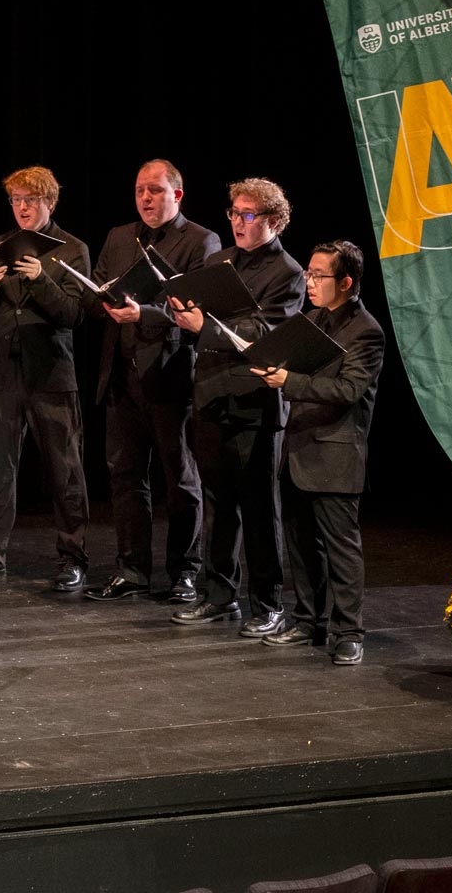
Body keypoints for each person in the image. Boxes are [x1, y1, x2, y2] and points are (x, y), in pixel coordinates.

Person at [169, 178, 306, 636]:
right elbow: (210, 315)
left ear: (272, 219)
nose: (238, 222)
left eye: (247, 215)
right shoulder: (219, 261)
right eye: (233, 213)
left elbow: (267, 334)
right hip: (210, 393)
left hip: (253, 403)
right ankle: (218, 594)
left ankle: (268, 604)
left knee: (259, 507)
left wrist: (205, 325)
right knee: (217, 502)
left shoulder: (287, 272)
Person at [84, 160, 221, 603]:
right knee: (125, 478)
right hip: (122, 378)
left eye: (156, 190)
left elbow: (201, 311)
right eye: (140, 190)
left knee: (179, 480)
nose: (146, 198)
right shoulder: (120, 236)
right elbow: (97, 292)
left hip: (170, 378)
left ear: (177, 195)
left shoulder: (201, 240)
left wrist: (145, 313)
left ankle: (184, 571)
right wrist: (101, 299)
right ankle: (132, 569)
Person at [0, 167, 92, 592]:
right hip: (1, 373)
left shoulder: (71, 249)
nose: (23, 207)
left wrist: (41, 278)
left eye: (31, 199)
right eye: (16, 199)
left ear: (50, 202)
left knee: (64, 467)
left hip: (50, 371)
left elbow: (75, 314)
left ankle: (73, 556)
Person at [253, 241, 384, 666]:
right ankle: (309, 620)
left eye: (318, 276)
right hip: (299, 449)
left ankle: (350, 632)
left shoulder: (365, 330)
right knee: (301, 544)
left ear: (345, 282)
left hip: (336, 454)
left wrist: (288, 382)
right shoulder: (311, 321)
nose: (309, 282)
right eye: (308, 273)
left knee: (341, 549)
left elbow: (348, 390)